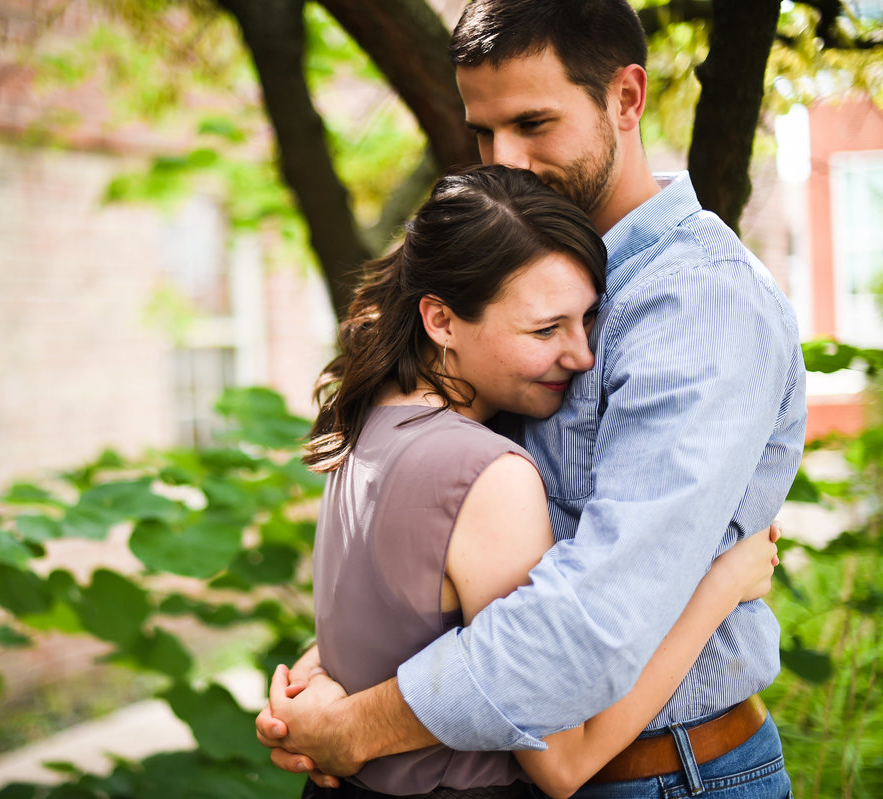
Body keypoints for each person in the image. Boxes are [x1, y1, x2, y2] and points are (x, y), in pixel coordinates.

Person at [257, 1, 807, 796]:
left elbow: (593, 615)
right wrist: (337, 670)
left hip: (662, 773)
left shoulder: (701, 307)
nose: (502, 159)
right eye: (483, 132)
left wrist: (360, 726)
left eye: (533, 123)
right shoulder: (511, 275)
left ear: (626, 98)